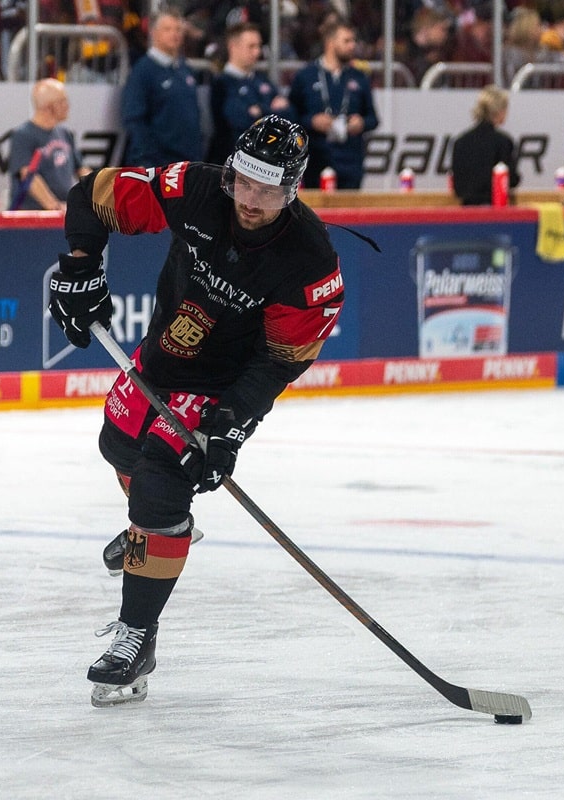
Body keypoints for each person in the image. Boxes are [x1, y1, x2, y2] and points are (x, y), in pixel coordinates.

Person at [46, 115, 345, 707]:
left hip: (220, 384)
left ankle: (136, 635)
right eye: (243, 182)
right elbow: (93, 196)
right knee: (117, 445)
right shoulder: (197, 188)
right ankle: (157, 530)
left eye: (267, 190)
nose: (250, 200)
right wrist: (82, 266)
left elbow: (281, 360)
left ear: (293, 190)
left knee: (161, 483)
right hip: (161, 355)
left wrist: (230, 426)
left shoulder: (309, 261)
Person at [288, 19, 379, 190]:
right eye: (347, 41)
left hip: (350, 161)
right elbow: (291, 116)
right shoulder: (305, 76)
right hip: (315, 159)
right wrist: (311, 121)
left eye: (353, 41)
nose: (353, 46)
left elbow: (373, 118)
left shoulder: (359, 77)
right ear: (330, 42)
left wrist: (361, 123)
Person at [120, 9, 204, 167]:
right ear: (154, 32)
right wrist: (146, 160)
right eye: (168, 29)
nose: (174, 34)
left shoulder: (184, 69)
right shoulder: (142, 71)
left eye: (178, 29)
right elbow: (134, 119)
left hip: (188, 162)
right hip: (158, 163)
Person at [205, 22, 292, 165]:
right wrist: (271, 110)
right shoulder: (222, 84)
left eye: (259, 46)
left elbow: (289, 115)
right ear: (233, 47)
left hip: (267, 161)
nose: (257, 52)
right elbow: (238, 121)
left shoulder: (262, 80)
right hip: (234, 161)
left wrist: (259, 111)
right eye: (251, 46)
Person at [6, 78, 90, 211]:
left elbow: (81, 169)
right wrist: (54, 206)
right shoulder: (23, 135)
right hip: (33, 213)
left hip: (63, 212)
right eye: (62, 101)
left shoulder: (65, 133)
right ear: (47, 107)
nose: (67, 106)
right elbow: (29, 176)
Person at [451, 85, 520, 206]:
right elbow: (511, 179)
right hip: (494, 208)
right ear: (500, 111)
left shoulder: (460, 142)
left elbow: (458, 186)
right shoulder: (503, 142)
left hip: (466, 210)